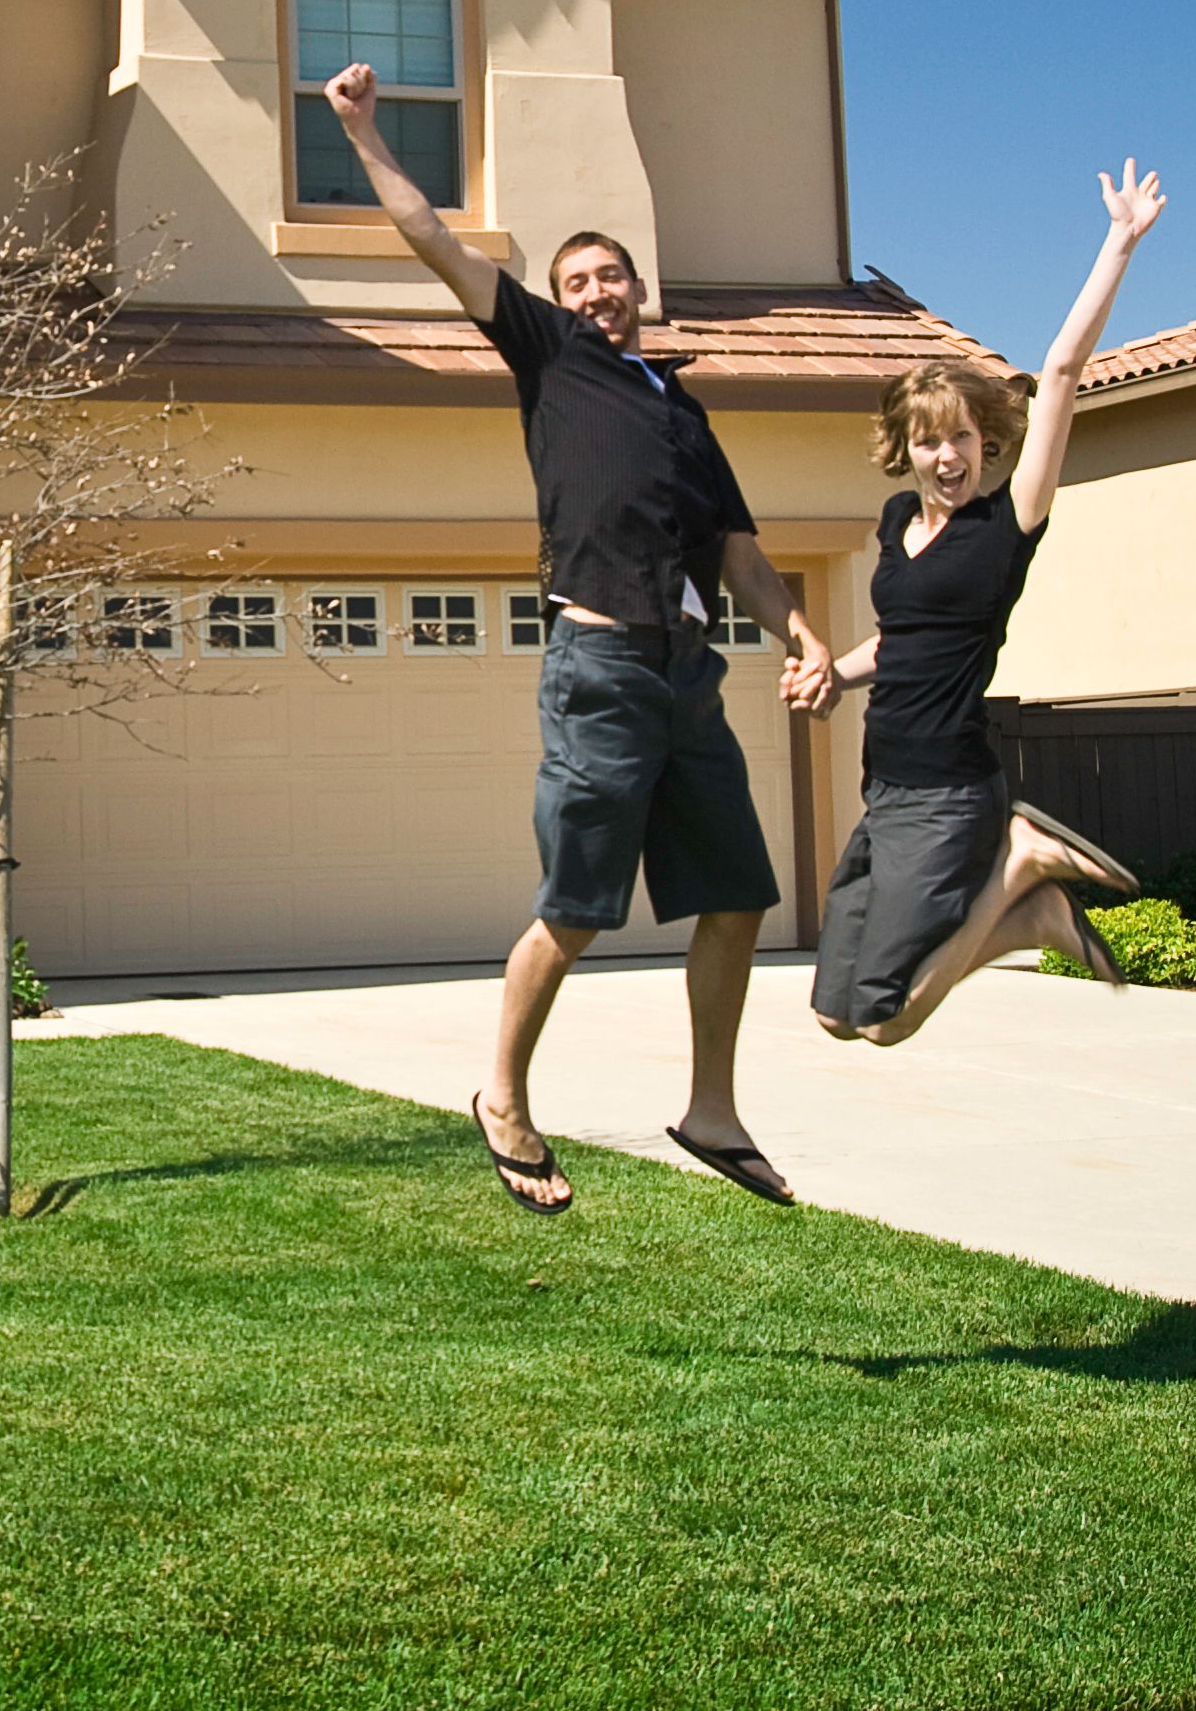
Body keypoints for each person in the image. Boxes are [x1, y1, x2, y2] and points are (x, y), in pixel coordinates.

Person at [321, 61, 830, 1216]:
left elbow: (740, 554)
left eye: (609, 277)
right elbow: (430, 238)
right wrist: (361, 130)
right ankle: (501, 1096)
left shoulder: (685, 411)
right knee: (579, 904)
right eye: (576, 280)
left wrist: (799, 635)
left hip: (687, 673)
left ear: (641, 286)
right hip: (598, 666)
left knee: (740, 892)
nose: (595, 292)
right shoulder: (549, 356)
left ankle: (710, 1106)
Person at [785, 161, 1165, 1046]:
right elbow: (900, 641)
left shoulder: (1008, 523)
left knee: (885, 1023)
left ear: (987, 441)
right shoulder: (893, 525)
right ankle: (1028, 920)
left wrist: (1119, 243)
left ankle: (1023, 867)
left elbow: (1064, 372)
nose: (948, 456)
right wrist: (832, 677)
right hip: (885, 788)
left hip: (949, 792)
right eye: (930, 441)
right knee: (832, 1015)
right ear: (904, 449)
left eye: (963, 437)